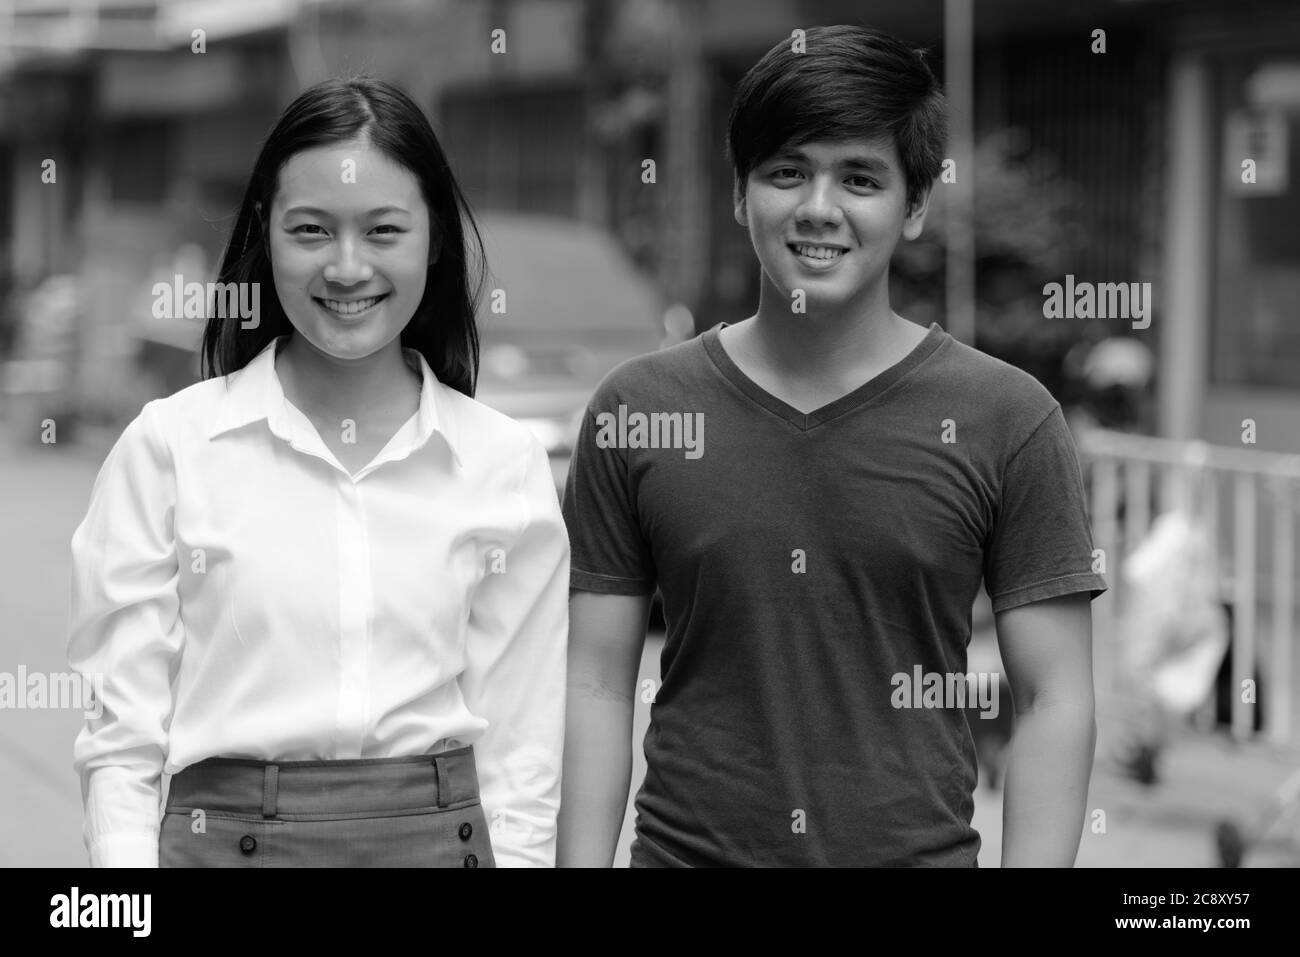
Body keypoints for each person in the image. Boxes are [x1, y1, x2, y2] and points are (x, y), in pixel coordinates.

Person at [558, 25, 1106, 867]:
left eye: (859, 177)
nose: (819, 208)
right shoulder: (637, 409)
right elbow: (595, 683)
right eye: (787, 171)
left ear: (915, 205)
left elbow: (1053, 698)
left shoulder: (1008, 417)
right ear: (740, 192)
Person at [67, 77, 569, 868]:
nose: (346, 267)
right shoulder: (170, 448)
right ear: (265, 235)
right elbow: (121, 745)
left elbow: (522, 756)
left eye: (382, 230)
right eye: (311, 230)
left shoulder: (502, 464)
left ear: (433, 237)